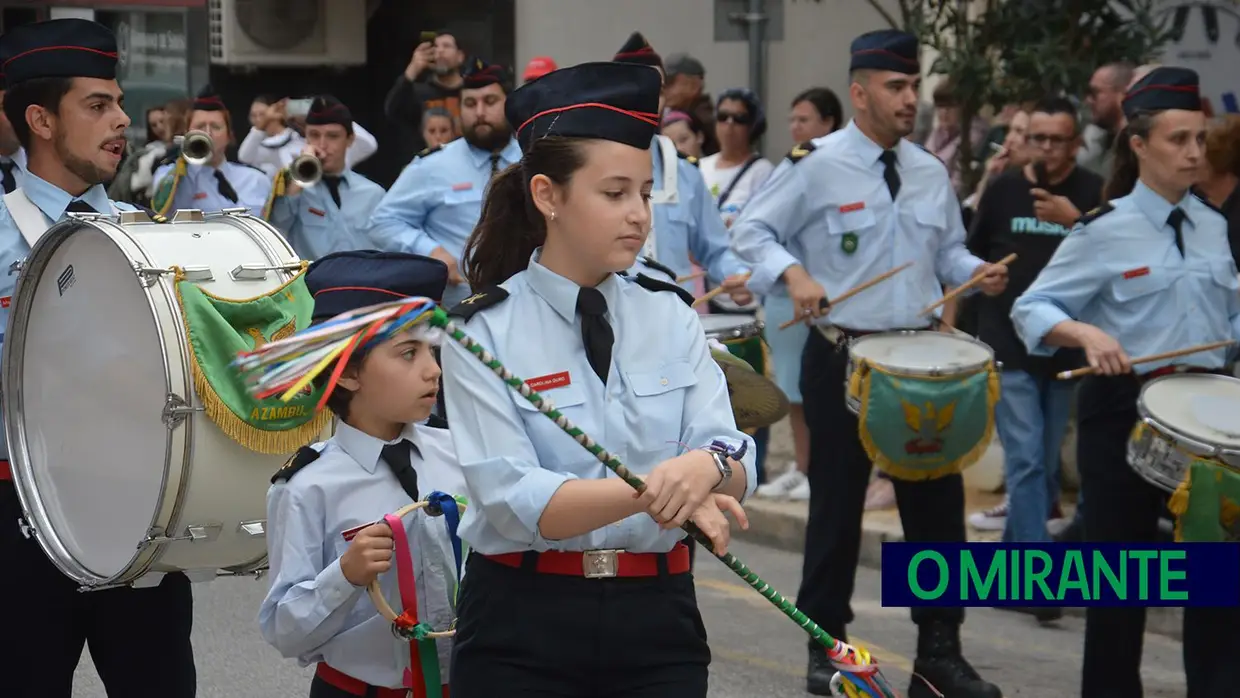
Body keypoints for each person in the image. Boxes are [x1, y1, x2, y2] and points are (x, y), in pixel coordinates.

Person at [439, 60, 756, 698]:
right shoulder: (482, 332)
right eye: (614, 194)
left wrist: (713, 469)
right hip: (521, 623)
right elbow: (512, 497)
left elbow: (729, 447)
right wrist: (667, 487)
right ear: (547, 196)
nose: (638, 214)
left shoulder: (670, 312)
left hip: (658, 617)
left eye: (644, 192)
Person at [730, 29, 1007, 698]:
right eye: (897, 87)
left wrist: (978, 273)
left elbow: (946, 257)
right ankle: (826, 648)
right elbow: (751, 232)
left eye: (913, 86)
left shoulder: (927, 171)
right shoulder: (813, 163)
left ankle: (940, 653)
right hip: (843, 355)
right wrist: (794, 274)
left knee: (936, 511)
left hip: (918, 358)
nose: (910, 98)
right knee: (836, 511)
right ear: (860, 92)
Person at [1011, 66, 1240, 698]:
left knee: (1216, 590)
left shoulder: (1213, 225)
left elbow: (1228, 319)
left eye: (1200, 138)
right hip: (1125, 413)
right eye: (1179, 140)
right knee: (1121, 596)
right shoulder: (1102, 229)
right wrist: (1087, 335)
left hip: (1209, 424)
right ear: (1138, 144)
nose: (1195, 152)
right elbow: (1032, 308)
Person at [0, 18, 197, 697]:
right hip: (16, 508)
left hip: (137, 504)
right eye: (97, 104)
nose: (122, 121)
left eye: (119, 103)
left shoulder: (146, 235)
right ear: (40, 119)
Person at [259, 250, 468, 698]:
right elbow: (284, 631)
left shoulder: (460, 456)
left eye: (433, 351)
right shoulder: (307, 487)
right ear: (350, 371)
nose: (433, 370)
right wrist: (345, 575)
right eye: (408, 353)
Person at [964, 97, 1101, 617]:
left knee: (1042, 463)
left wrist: (1077, 221)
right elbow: (972, 257)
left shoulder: (1092, 193)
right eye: (1037, 138)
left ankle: (1010, 564)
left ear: (1076, 142)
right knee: (1023, 460)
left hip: (1066, 343)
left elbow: (1116, 253)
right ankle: (1041, 584)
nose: (1046, 149)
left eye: (1057, 139)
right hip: (1008, 341)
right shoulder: (1003, 189)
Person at [368, 58, 522, 309]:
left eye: (490, 101)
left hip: (523, 303)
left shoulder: (533, 160)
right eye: (470, 104)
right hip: (457, 308)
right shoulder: (432, 166)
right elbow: (382, 222)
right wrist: (431, 252)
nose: (480, 112)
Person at [611, 32, 752, 303]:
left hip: (677, 321)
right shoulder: (589, 167)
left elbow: (716, 249)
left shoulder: (684, 170)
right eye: (641, 85)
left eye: (660, 89)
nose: (653, 97)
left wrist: (736, 275)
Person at [265, 95, 386, 261]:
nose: (322, 144)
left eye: (332, 136)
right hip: (313, 284)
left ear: (349, 140)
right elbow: (275, 229)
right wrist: (299, 177)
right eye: (314, 135)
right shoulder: (293, 188)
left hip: (360, 283)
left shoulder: (373, 193)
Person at [152, 85, 271, 218]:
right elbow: (168, 213)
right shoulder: (170, 176)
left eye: (215, 127)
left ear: (229, 136)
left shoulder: (255, 179)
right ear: (187, 133)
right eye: (200, 126)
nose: (207, 133)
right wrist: (187, 163)